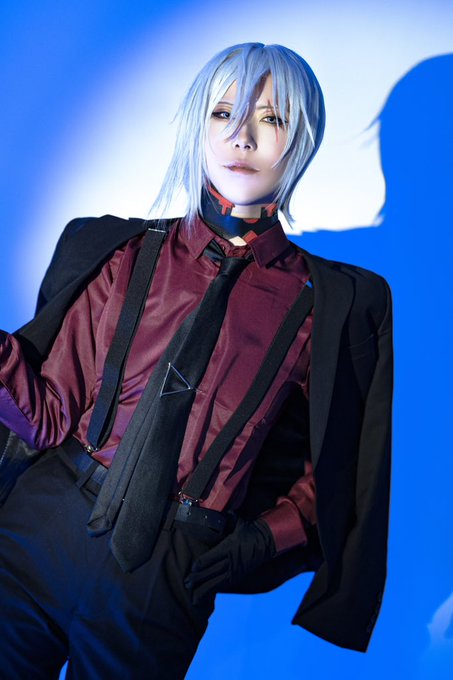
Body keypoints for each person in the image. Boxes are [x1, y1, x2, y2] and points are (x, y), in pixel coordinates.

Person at [0, 42, 393, 679]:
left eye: (271, 118)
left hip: (164, 579)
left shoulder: (334, 304)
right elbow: (45, 417)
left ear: (302, 139)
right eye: (223, 113)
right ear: (198, 125)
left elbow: (340, 465)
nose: (242, 137)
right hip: (38, 533)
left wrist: (262, 540)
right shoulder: (117, 251)